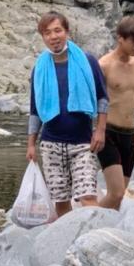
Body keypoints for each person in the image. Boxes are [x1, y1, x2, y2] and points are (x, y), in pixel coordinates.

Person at [27, 11, 108, 217]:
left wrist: (100, 130)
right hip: (51, 144)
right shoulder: (40, 68)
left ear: (67, 32)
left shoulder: (87, 61)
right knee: (61, 202)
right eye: (47, 33)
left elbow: (102, 98)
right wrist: (30, 144)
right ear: (43, 37)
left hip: (82, 142)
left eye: (57, 30)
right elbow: (35, 110)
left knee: (88, 197)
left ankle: (96, 241)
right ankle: (68, 244)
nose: (53, 36)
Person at [97, 15, 134, 209]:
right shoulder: (104, 65)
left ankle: (105, 232)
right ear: (120, 38)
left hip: (129, 133)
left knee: (120, 196)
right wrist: (95, 131)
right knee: (116, 192)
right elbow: (94, 101)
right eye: (133, 40)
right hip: (108, 132)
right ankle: (87, 221)